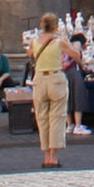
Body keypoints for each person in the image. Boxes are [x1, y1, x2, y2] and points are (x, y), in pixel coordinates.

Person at [27, 13, 73, 169]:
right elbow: (76, 54)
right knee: (57, 117)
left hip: (39, 79)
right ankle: (53, 156)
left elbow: (30, 54)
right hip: (55, 78)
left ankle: (46, 155)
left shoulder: (35, 42)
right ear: (56, 26)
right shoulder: (59, 41)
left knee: (42, 118)